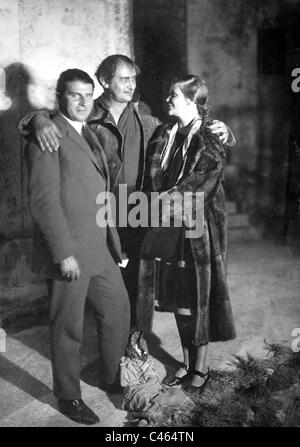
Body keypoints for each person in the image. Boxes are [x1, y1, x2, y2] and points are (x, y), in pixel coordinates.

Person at [18, 54, 234, 326]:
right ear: (105, 81)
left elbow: (186, 125)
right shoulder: (85, 112)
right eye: (123, 79)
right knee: (89, 292)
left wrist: (222, 129)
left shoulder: (144, 115)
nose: (131, 84)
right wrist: (36, 119)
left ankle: (131, 352)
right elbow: (52, 120)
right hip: (98, 213)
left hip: (135, 210)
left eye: (133, 79)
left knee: (134, 289)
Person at [24, 69, 130, 424]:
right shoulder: (48, 134)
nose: (84, 102)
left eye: (88, 94)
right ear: (60, 97)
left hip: (100, 246)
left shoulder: (89, 131)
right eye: (75, 95)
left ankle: (112, 377)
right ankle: (68, 396)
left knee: (117, 312)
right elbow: (43, 202)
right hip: (70, 250)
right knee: (67, 326)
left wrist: (115, 243)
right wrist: (62, 252)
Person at [139, 75, 236, 393]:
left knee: (198, 299)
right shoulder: (164, 132)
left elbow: (202, 183)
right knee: (177, 300)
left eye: (174, 95)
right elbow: (150, 177)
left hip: (198, 229)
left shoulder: (210, 135)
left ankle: (201, 367)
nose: (168, 100)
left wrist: (157, 207)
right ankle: (185, 361)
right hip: (169, 224)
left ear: (193, 101)